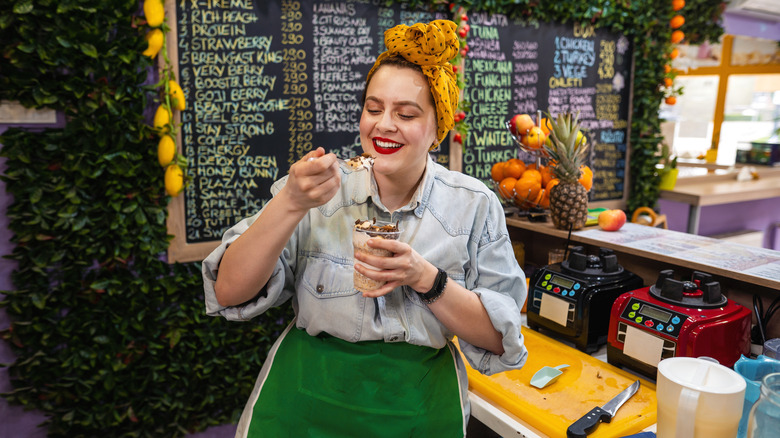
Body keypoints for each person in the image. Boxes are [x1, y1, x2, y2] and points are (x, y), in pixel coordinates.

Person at [202, 19, 527, 437]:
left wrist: (426, 279)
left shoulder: (472, 204)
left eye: (405, 113)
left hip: (417, 409)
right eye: (373, 109)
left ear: (436, 129)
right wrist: (291, 203)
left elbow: (501, 340)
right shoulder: (315, 190)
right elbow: (229, 291)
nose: (383, 125)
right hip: (304, 403)